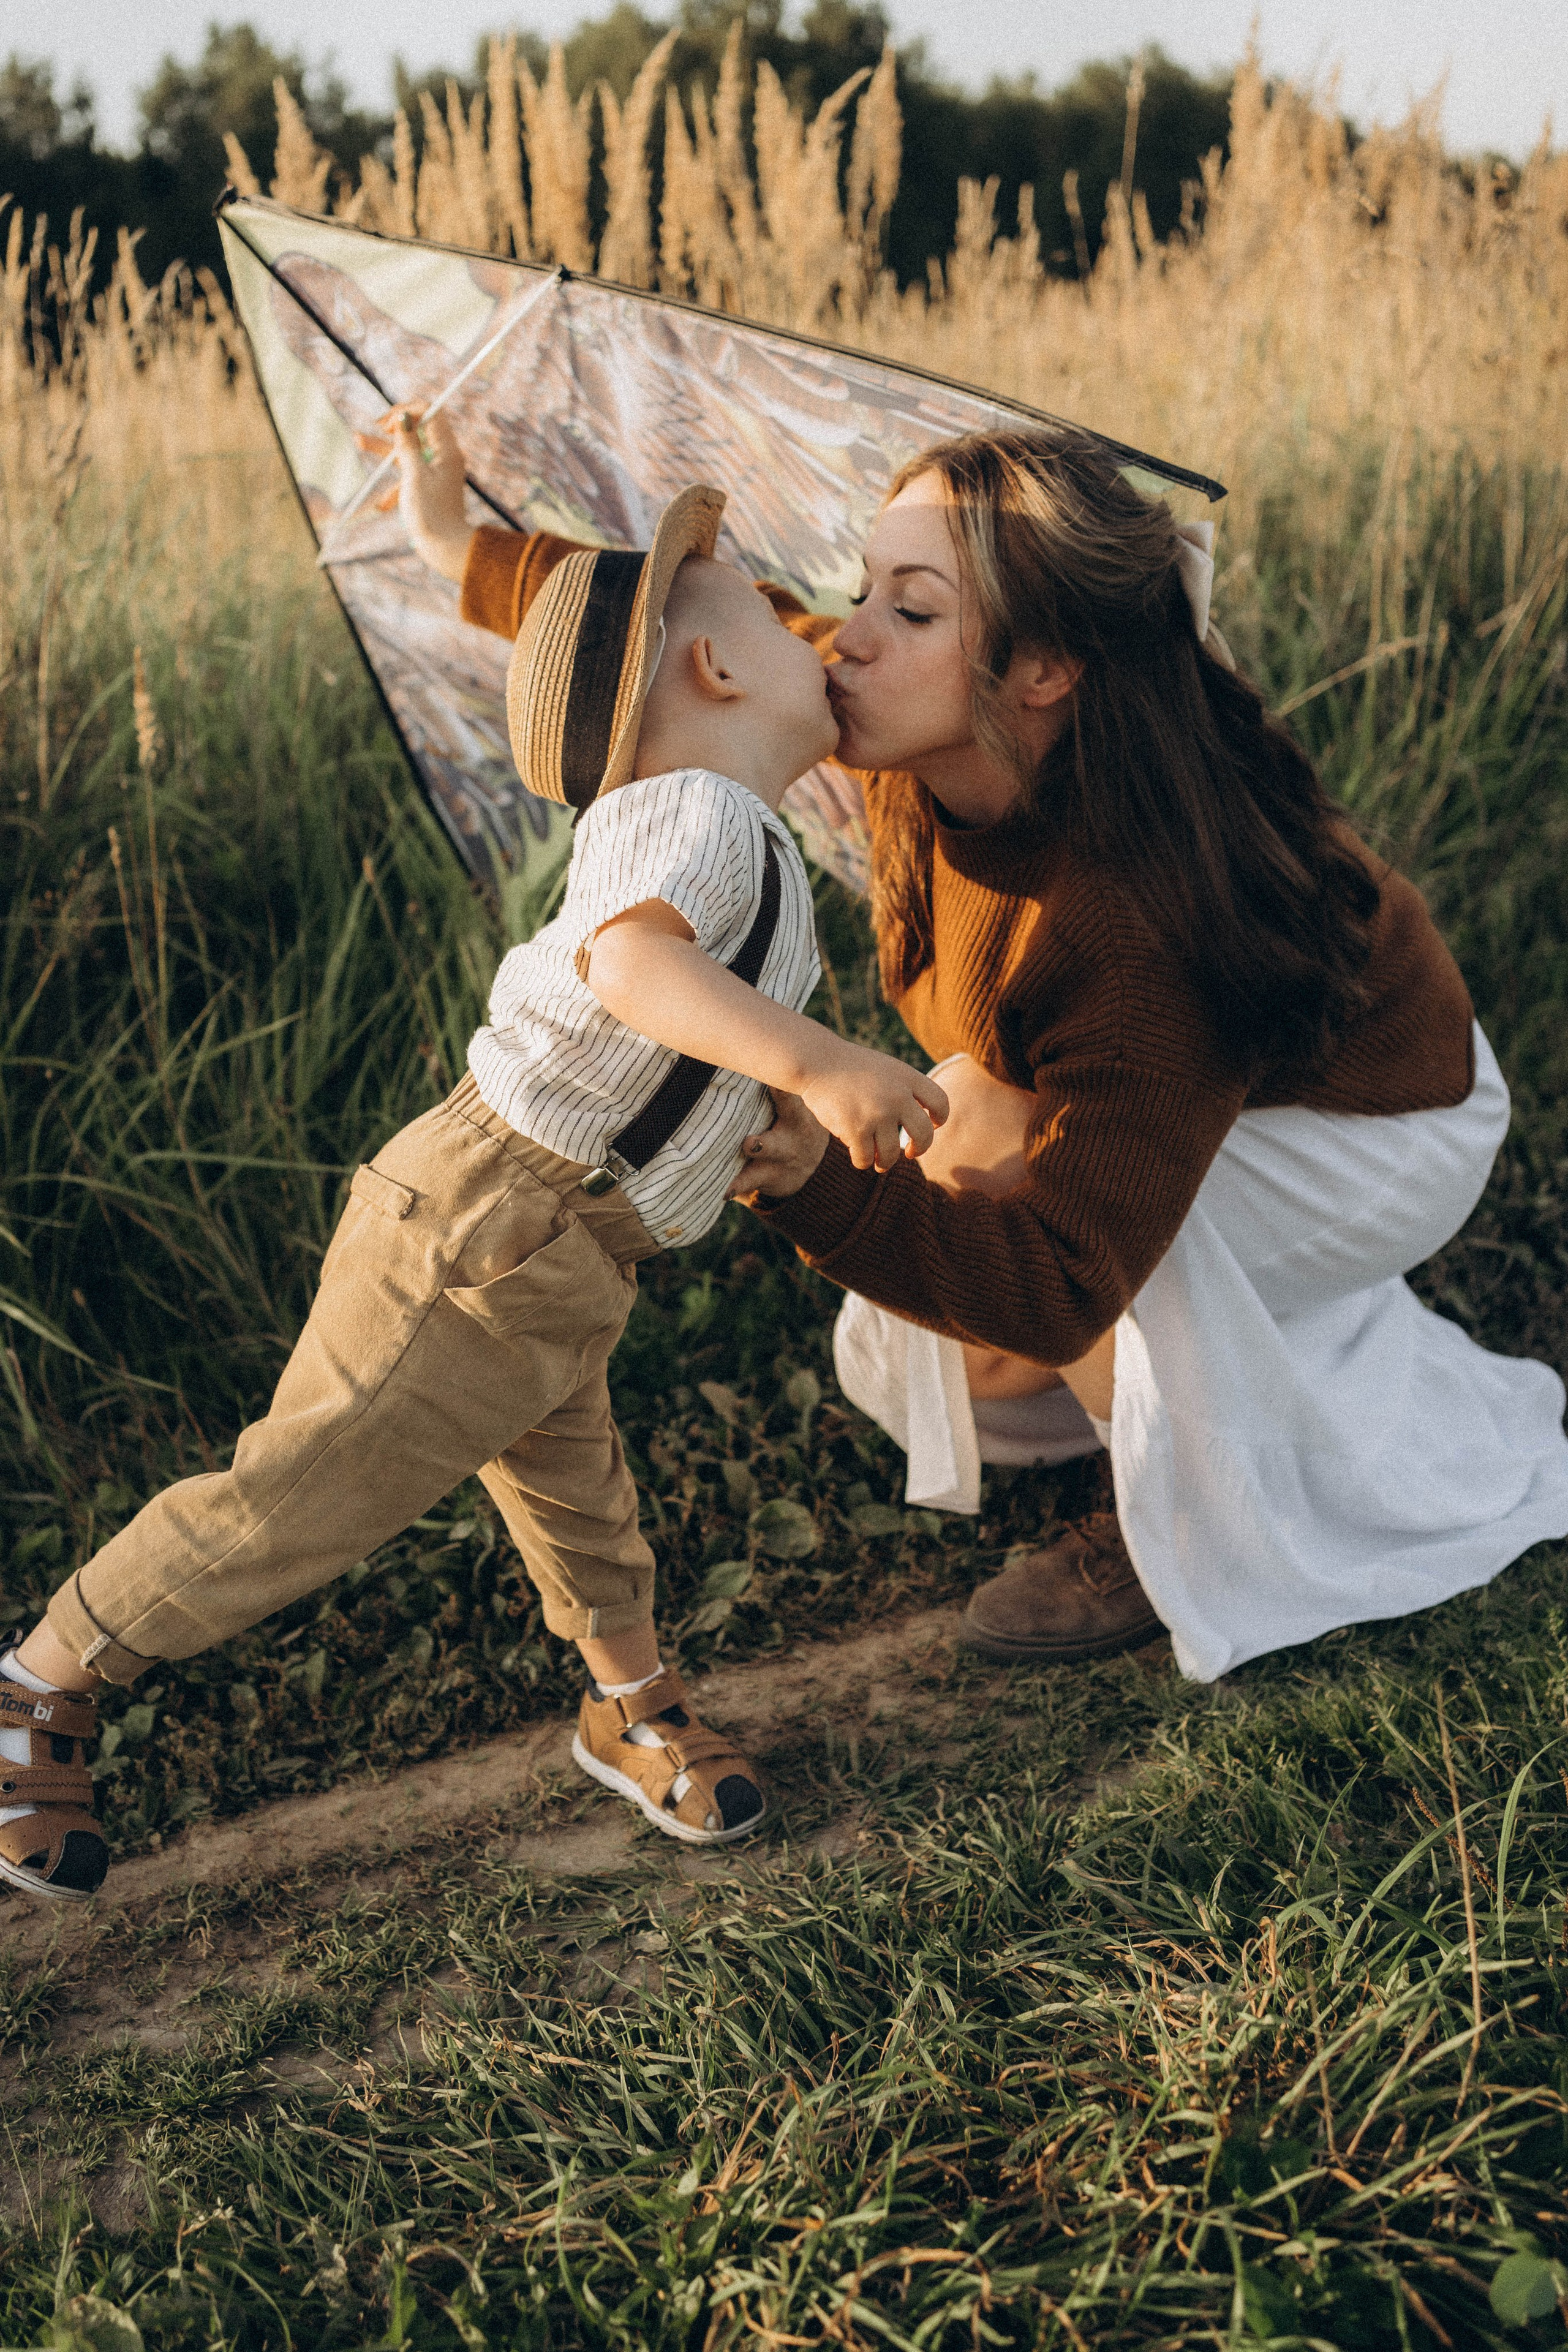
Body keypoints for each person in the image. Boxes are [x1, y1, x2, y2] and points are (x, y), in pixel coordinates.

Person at [397, 407, 1568, 1684]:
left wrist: (818, 1188)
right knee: (985, 1352)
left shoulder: (1130, 923)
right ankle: (1296, 1356)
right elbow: (693, 637)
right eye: (863, 590)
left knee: (980, 1134)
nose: (846, 637)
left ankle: (1162, 1512)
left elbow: (1059, 1280)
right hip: (1178, 1090)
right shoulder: (906, 712)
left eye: (910, 610)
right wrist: (460, 544)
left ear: (1042, 669)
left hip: (1380, 1130)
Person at [0, 482, 949, 1903]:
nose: (804, 623)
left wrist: (754, 1128)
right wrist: (818, 1064)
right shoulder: (683, 807)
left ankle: (627, 1702)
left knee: (582, 1508)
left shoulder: (733, 834)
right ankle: (41, 1676)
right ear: (716, 668)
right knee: (297, 1495)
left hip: (569, 1246)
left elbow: (675, 1042)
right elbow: (628, 973)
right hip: (484, 1223)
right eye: (766, 608)